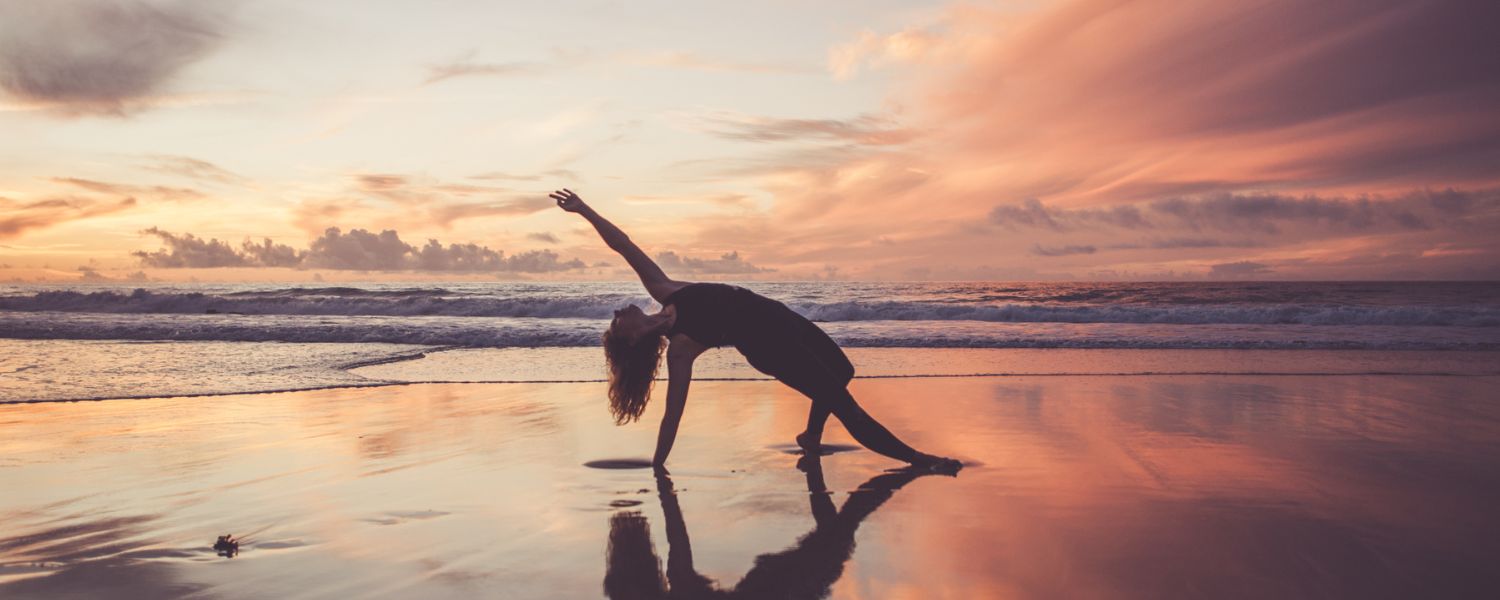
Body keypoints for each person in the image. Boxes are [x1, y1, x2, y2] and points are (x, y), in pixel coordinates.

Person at [553, 189, 960, 472]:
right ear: (631, 337)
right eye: (615, 322)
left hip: (782, 316)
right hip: (773, 347)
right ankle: (920, 459)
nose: (615, 311)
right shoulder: (681, 349)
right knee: (844, 404)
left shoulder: (663, 289)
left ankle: (811, 437)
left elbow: (622, 244)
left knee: (843, 370)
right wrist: (658, 466)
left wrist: (584, 210)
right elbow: (671, 417)